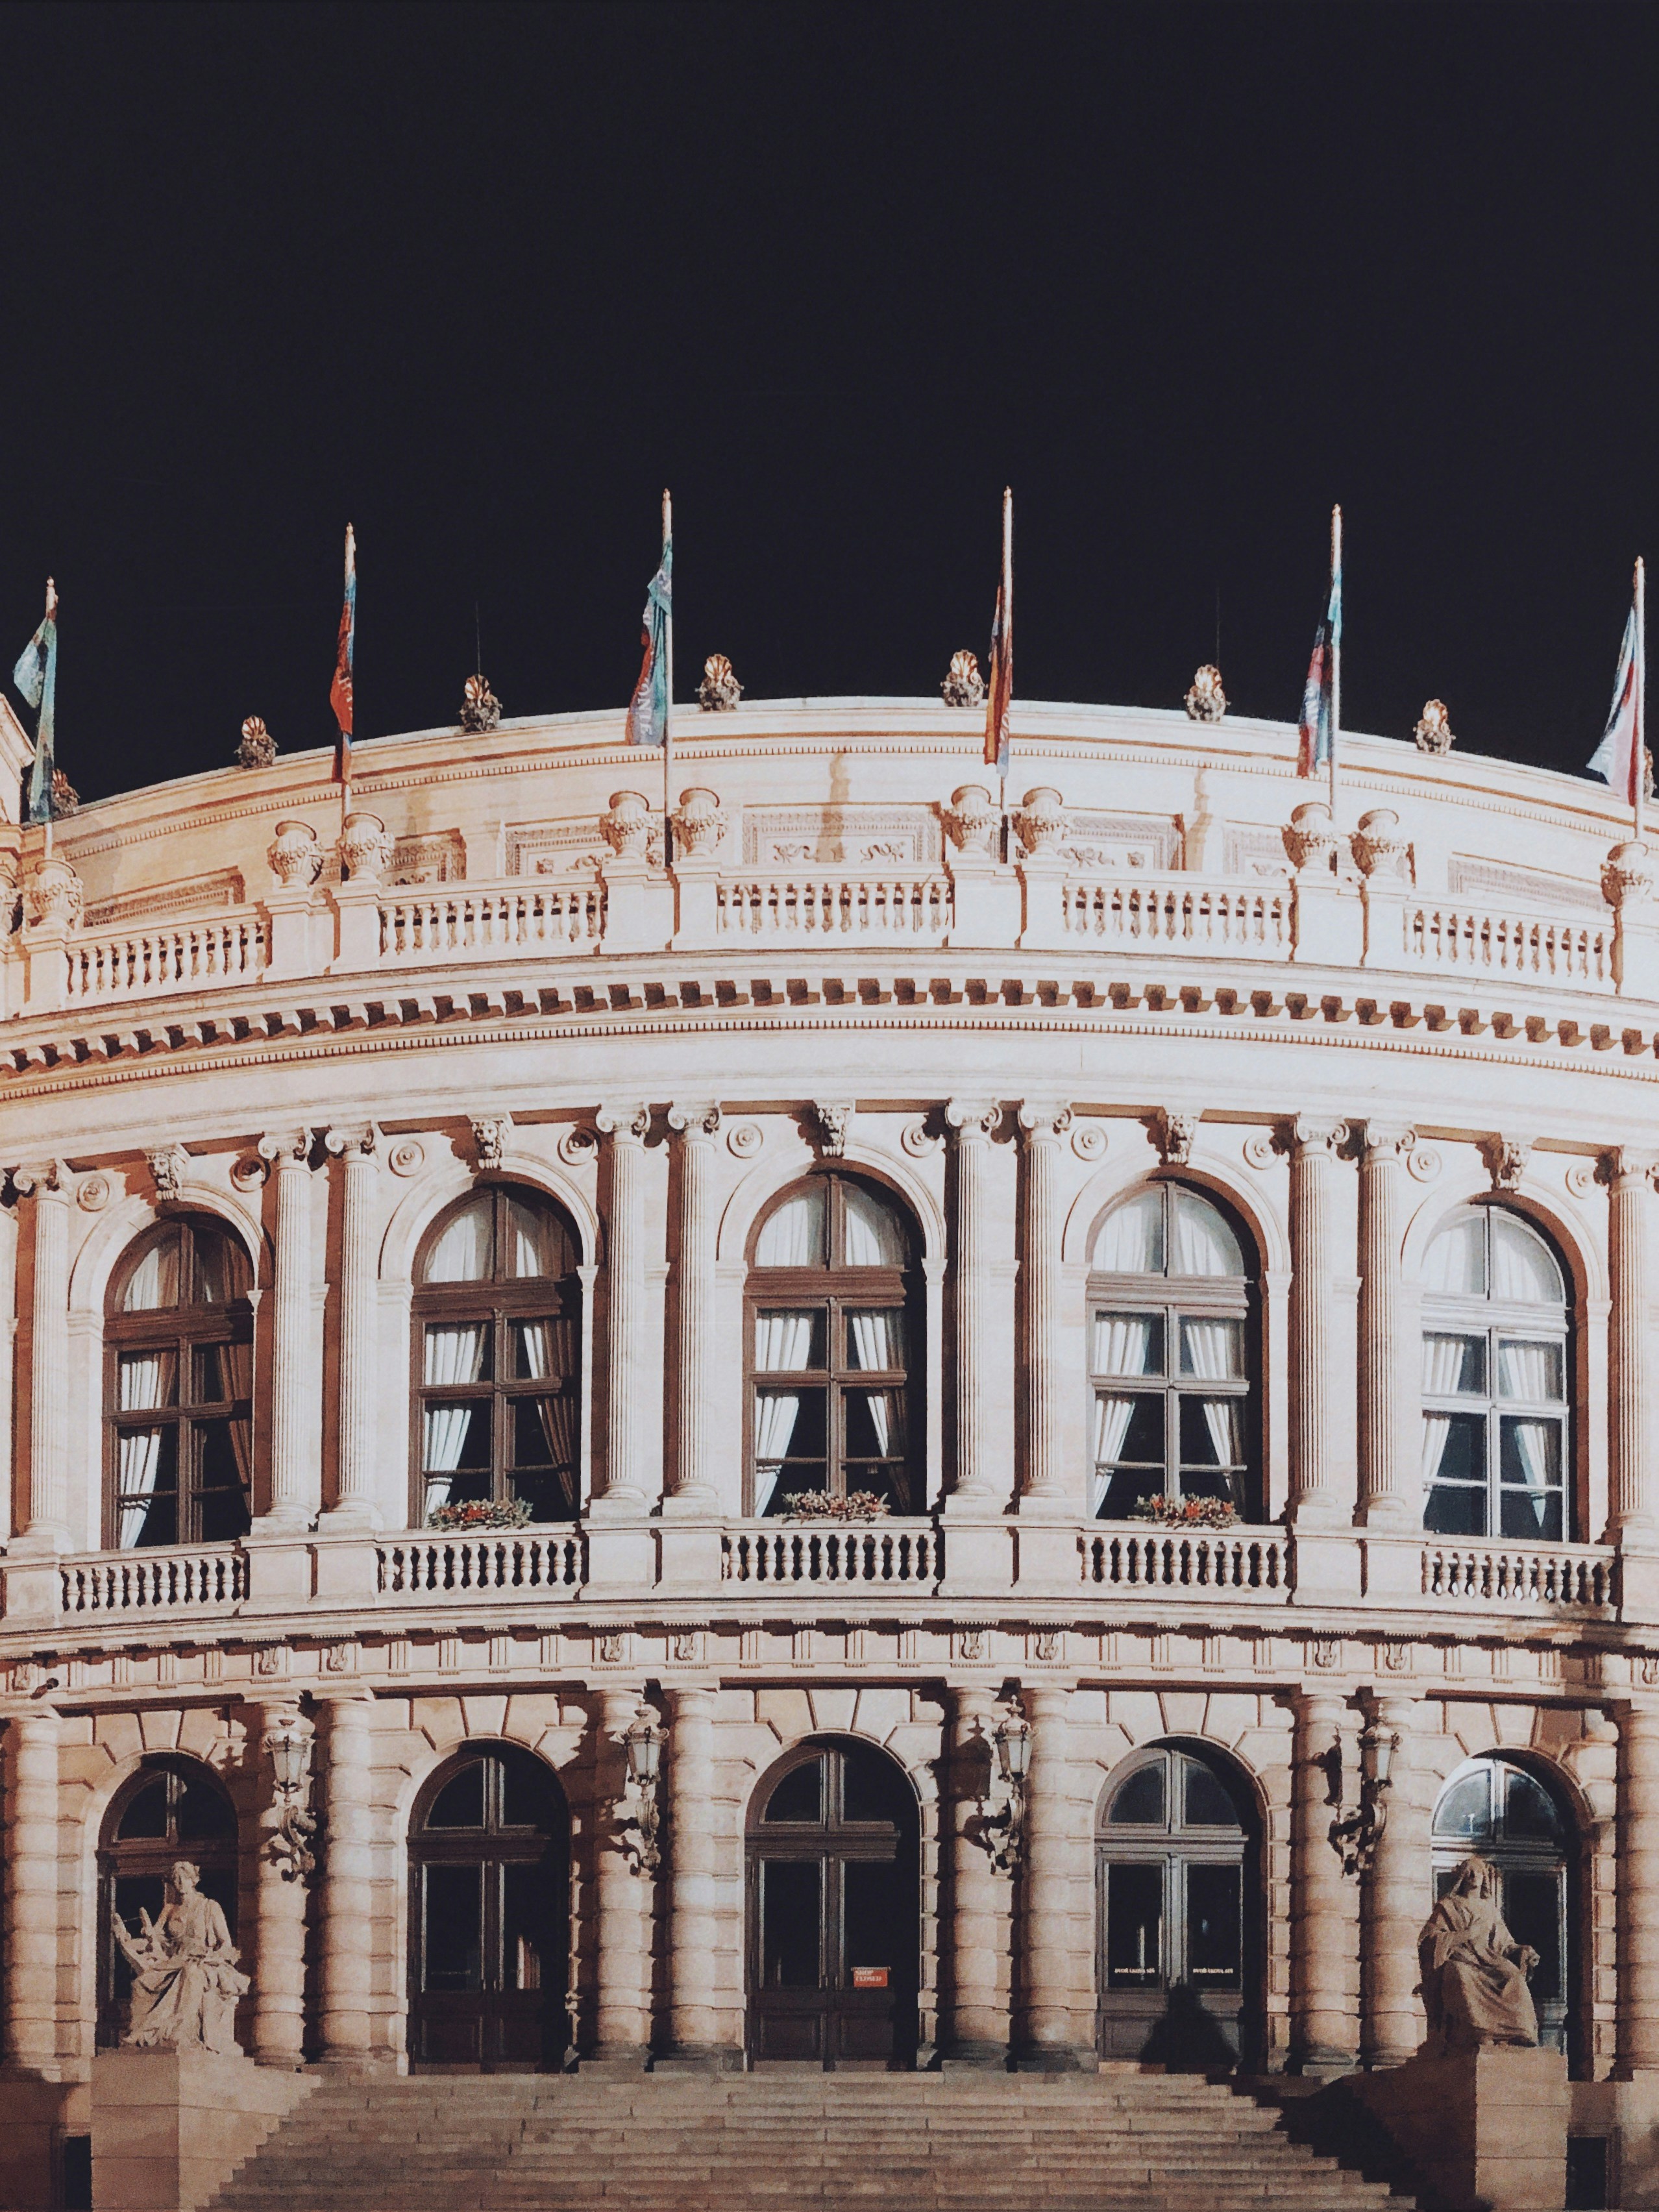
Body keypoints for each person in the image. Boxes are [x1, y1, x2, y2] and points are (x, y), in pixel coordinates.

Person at [114, 1858, 250, 2056]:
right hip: (173, 1961)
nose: (180, 1883)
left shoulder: (209, 1907)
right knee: (141, 1984)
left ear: (194, 1880)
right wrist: (130, 1940)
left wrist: (211, 1958)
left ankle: (180, 2033)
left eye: (184, 1878)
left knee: (190, 1974)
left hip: (202, 1961)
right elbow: (155, 1941)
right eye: (176, 1879)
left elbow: (226, 1943)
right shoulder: (169, 1909)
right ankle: (141, 2033)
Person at [1418, 1854, 1540, 2054]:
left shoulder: (1488, 1909)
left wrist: (1522, 1951)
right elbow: (1429, 1940)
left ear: (1485, 1878)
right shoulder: (1448, 1906)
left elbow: (1504, 1943)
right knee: (1460, 1975)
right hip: (1461, 1959)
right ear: (1462, 1877)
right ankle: (1479, 2032)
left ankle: (1518, 2032)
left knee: (1513, 1976)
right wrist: (1464, 1935)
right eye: (1470, 1871)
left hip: (1489, 1960)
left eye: (1479, 1872)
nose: (1474, 1876)